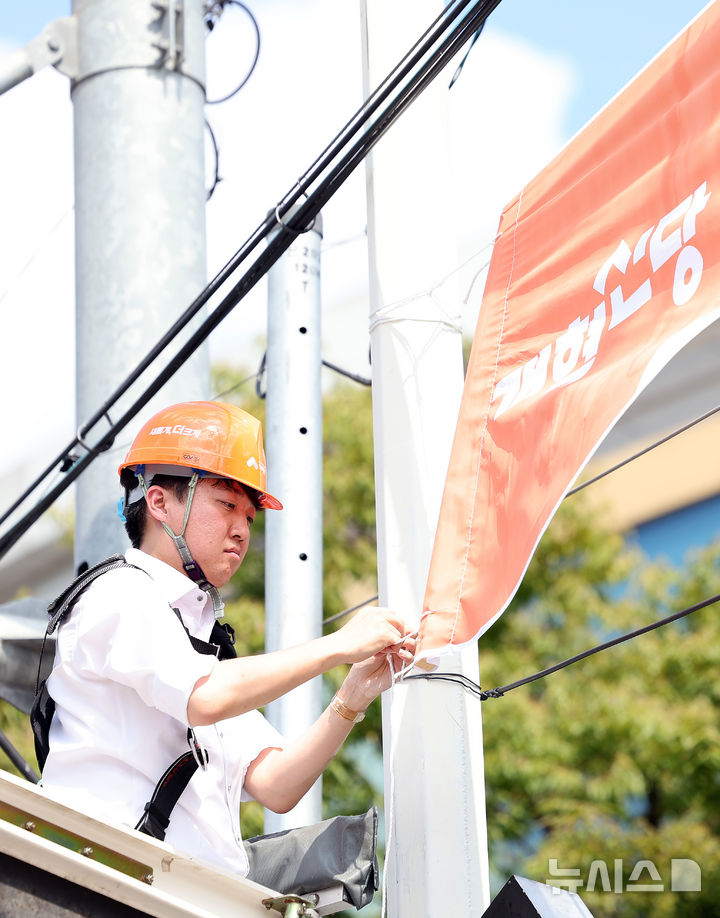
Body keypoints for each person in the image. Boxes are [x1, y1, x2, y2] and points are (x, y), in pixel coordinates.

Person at [40, 400, 414, 876]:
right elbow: (207, 697)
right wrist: (340, 644)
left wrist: (353, 694)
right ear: (158, 502)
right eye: (226, 504)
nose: (241, 530)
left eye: (250, 517)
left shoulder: (197, 640)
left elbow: (277, 785)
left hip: (183, 892)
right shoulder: (120, 593)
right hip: (108, 884)